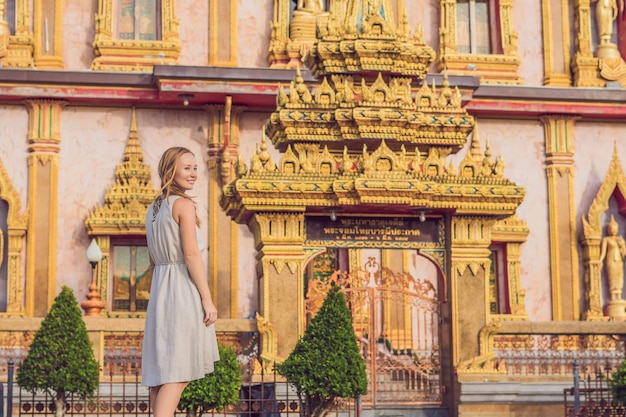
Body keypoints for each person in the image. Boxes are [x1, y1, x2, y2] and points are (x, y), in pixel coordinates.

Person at [141, 147, 219, 417]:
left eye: (195, 168)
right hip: (182, 290)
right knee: (180, 370)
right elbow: (190, 254)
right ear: (170, 170)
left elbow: (152, 260)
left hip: (161, 289)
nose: (194, 173)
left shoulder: (153, 209)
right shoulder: (183, 204)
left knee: (162, 373)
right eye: (187, 168)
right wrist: (206, 299)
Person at [599, 215, 626, 301]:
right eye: (611, 228)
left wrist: (622, 245)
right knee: (612, 278)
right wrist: (600, 261)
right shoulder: (606, 240)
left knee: (619, 278)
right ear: (608, 229)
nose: (613, 230)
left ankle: (619, 296)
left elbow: (624, 253)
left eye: (615, 228)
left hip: (619, 261)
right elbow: (603, 252)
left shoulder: (620, 239)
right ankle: (613, 297)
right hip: (611, 260)